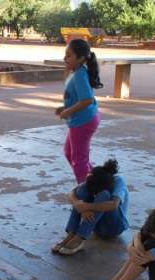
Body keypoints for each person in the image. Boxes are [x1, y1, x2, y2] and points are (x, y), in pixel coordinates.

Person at [53, 159, 129, 256]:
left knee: (104, 195)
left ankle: (80, 237)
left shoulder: (118, 181)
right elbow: (71, 193)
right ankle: (71, 234)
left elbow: (113, 205)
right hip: (95, 224)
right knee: (82, 189)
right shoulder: (96, 176)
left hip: (113, 228)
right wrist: (79, 206)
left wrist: (86, 206)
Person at [55, 38, 103, 184]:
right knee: (70, 153)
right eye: (65, 55)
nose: (65, 58)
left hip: (83, 121)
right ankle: (94, 182)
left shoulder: (80, 75)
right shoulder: (76, 72)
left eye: (69, 56)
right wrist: (65, 108)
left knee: (79, 160)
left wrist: (67, 112)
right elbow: (76, 96)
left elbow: (87, 99)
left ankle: (86, 191)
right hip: (80, 120)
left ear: (81, 58)